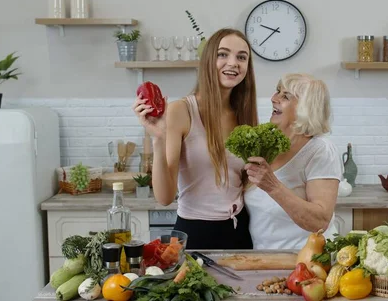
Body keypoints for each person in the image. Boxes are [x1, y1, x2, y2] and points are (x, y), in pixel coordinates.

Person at [132, 28, 258, 249]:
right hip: (195, 233)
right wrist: (158, 139)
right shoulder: (181, 110)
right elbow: (164, 197)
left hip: (240, 231)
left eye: (241, 57)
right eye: (223, 54)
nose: (233, 63)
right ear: (209, 61)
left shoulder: (244, 114)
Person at [243, 73, 343, 249]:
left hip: (307, 262)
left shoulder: (320, 150)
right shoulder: (268, 146)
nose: (274, 98)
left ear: (305, 108)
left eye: (285, 96)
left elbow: (320, 222)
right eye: (277, 91)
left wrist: (273, 186)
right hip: (265, 259)